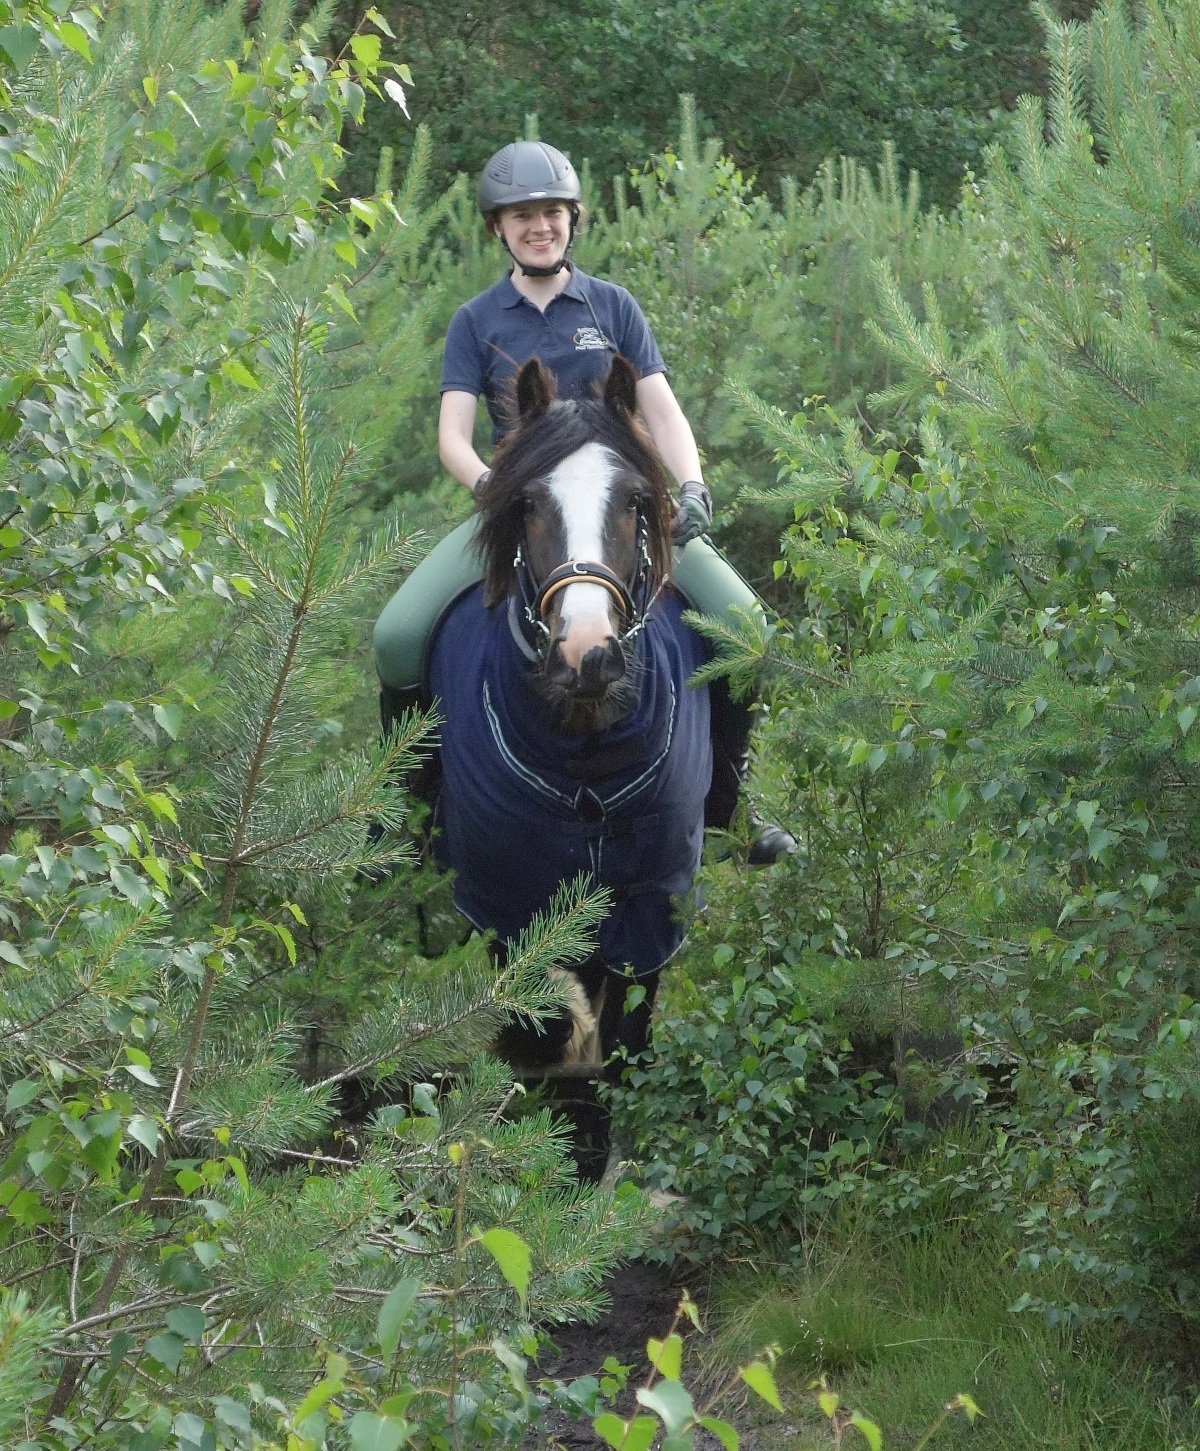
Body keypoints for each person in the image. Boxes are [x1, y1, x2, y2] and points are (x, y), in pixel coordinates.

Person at [373, 139, 794, 864]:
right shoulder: (476, 321)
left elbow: (661, 412)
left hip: (621, 513)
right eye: (523, 215)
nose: (540, 226)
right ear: (497, 229)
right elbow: (453, 435)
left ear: (574, 219)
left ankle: (734, 801)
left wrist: (691, 484)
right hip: (526, 514)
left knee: (748, 630)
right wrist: (493, 491)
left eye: (552, 213)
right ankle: (406, 812)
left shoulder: (613, 306)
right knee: (398, 635)